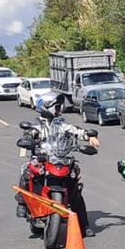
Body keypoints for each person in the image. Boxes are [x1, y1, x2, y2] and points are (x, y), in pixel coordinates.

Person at [15, 92, 101, 236]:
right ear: (47, 107)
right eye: (57, 107)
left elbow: (76, 131)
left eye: (59, 107)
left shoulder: (62, 124)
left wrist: (88, 136)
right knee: (26, 172)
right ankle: (22, 204)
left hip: (61, 159)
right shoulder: (37, 125)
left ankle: (84, 225)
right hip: (42, 160)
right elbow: (28, 134)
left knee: (76, 189)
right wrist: (28, 139)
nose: (59, 110)